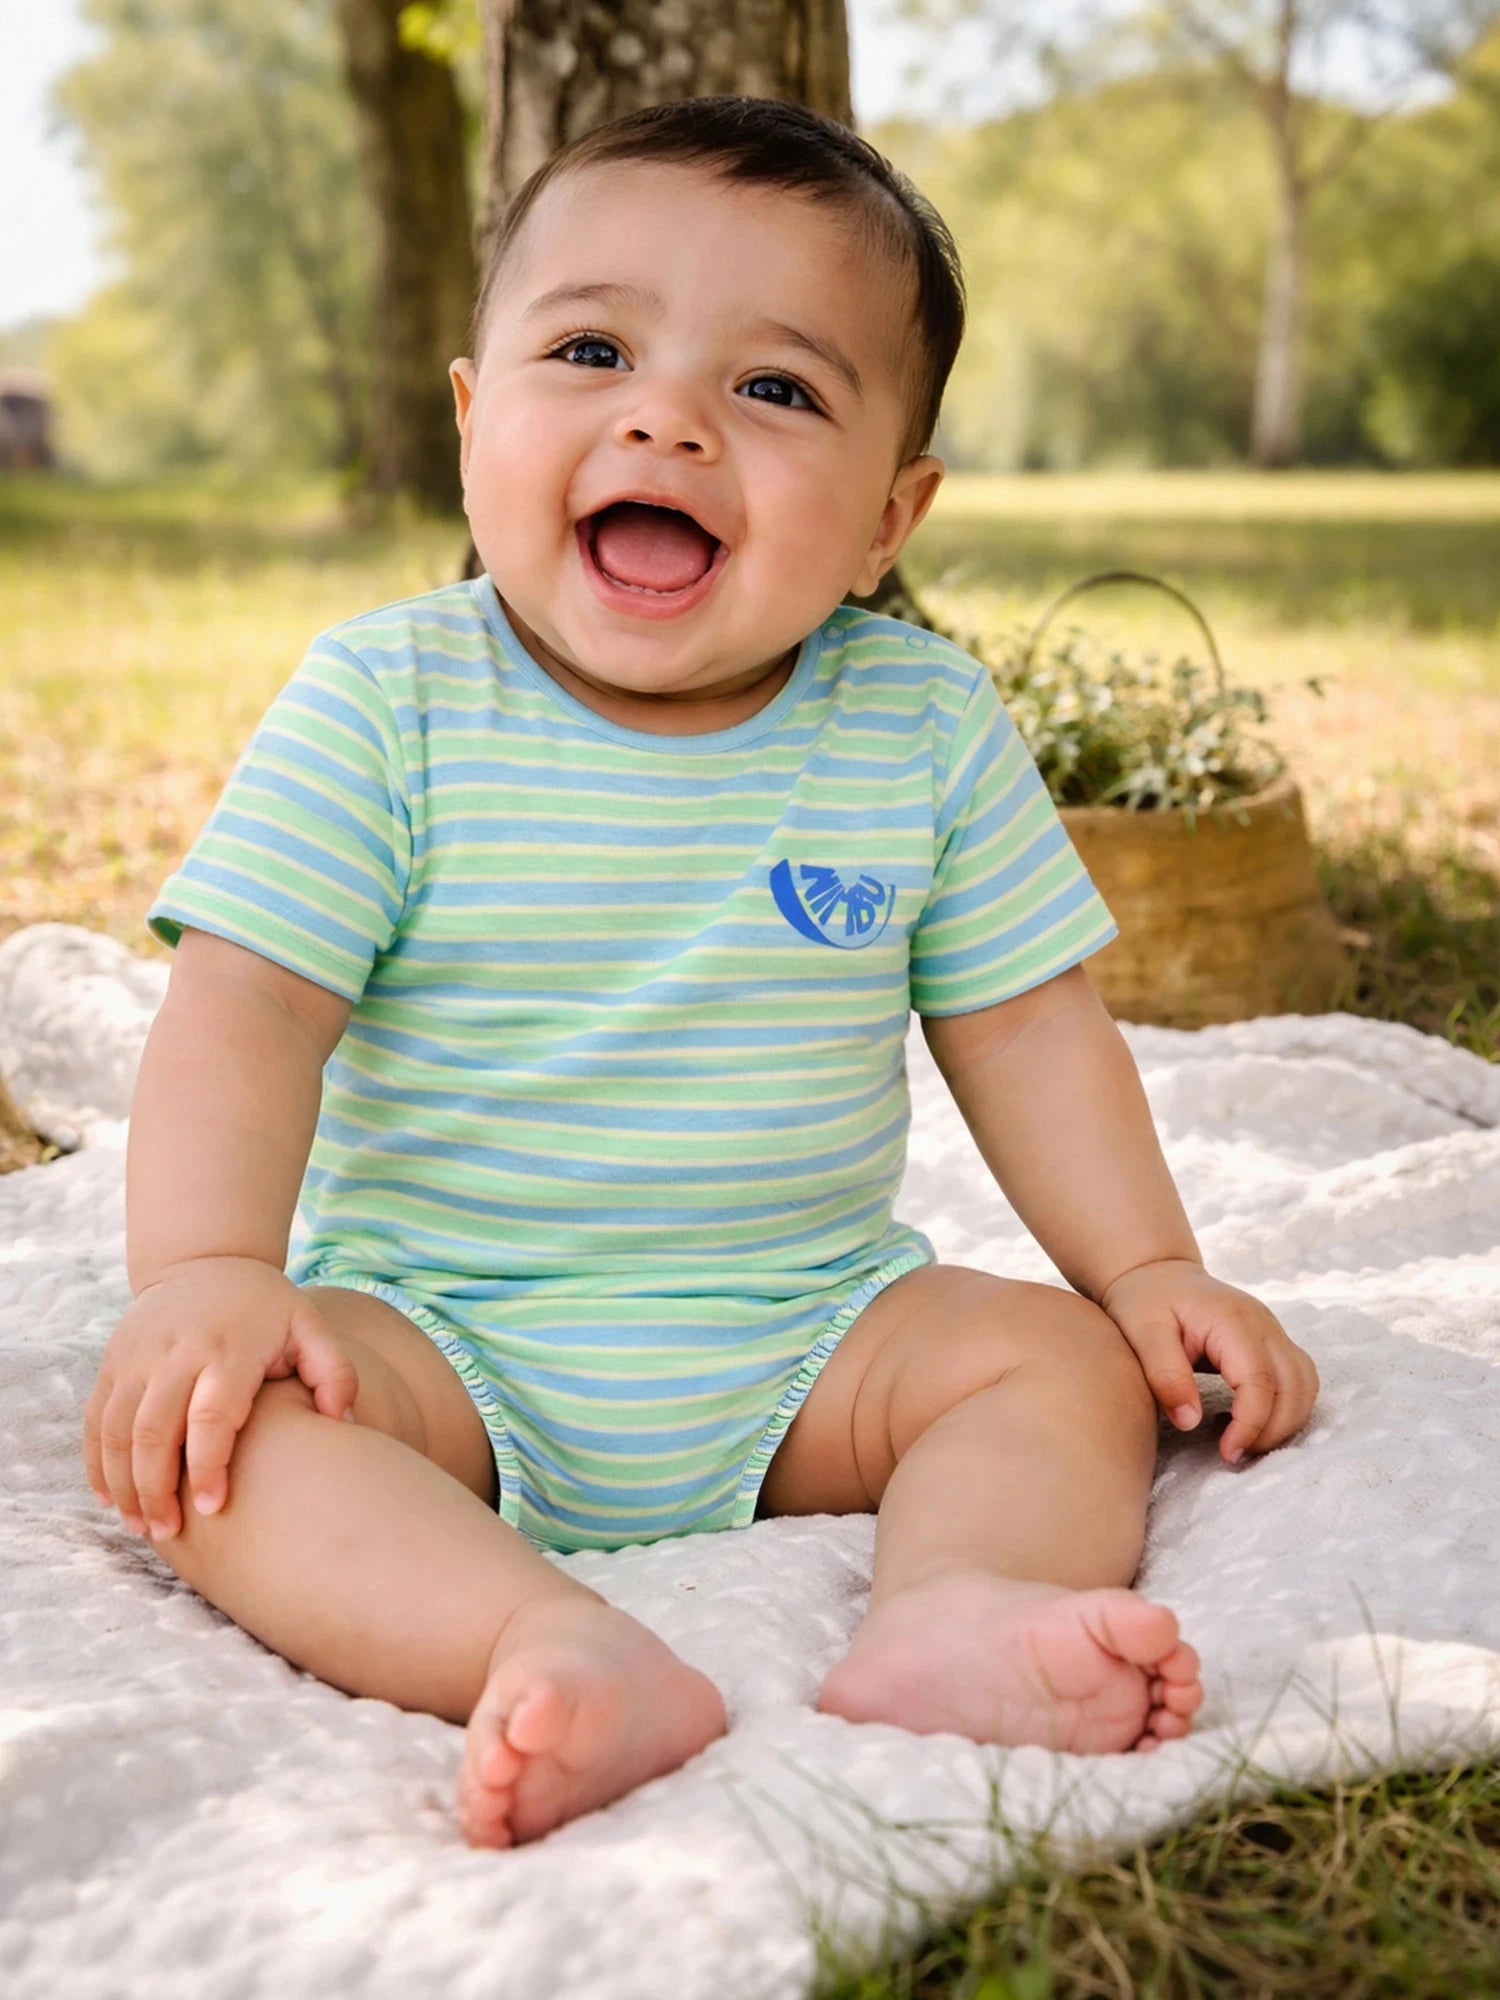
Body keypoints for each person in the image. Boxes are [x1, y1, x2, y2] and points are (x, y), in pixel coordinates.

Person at [82, 96, 1319, 1852]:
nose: (665, 414)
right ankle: (538, 1638)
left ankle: (957, 1608)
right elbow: (250, 1007)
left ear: (891, 518)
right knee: (217, 1442)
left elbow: (1029, 1026)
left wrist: (1145, 1269)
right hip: (438, 1342)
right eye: (590, 349)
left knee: (1052, 1364)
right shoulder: (386, 703)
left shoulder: (921, 725)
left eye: (778, 389)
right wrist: (206, 1274)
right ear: (468, 420)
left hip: (808, 1332)